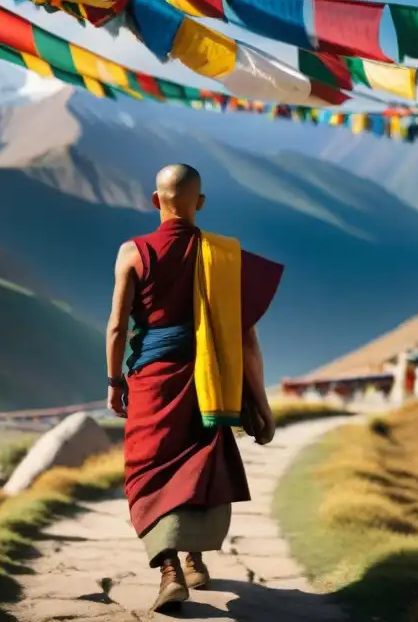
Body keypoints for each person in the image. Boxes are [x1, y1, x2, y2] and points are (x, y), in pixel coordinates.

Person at [105, 163, 284, 612]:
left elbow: (116, 328)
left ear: (154, 200)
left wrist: (114, 382)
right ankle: (194, 557)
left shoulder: (133, 252)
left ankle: (170, 571)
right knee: (199, 466)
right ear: (199, 203)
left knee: (150, 470)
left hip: (151, 378)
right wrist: (260, 402)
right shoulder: (223, 256)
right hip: (210, 380)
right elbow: (245, 336)